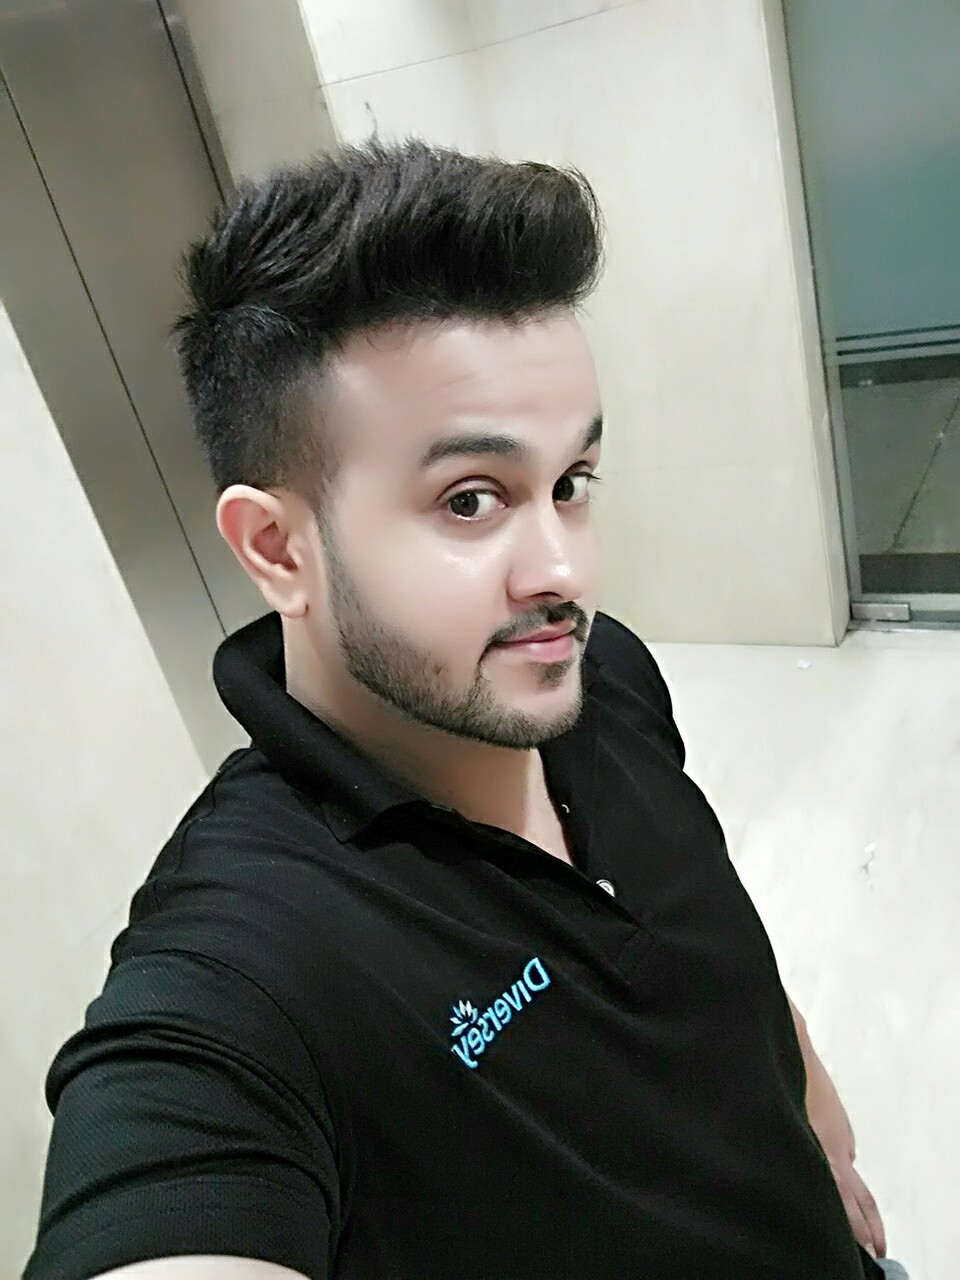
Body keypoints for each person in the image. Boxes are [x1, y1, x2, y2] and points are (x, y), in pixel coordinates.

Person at [24, 140, 906, 1280]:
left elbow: (701, 913)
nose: (565, 571)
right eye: (472, 499)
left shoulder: (600, 673)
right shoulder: (242, 971)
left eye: (571, 484)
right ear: (278, 548)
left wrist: (814, 1114)